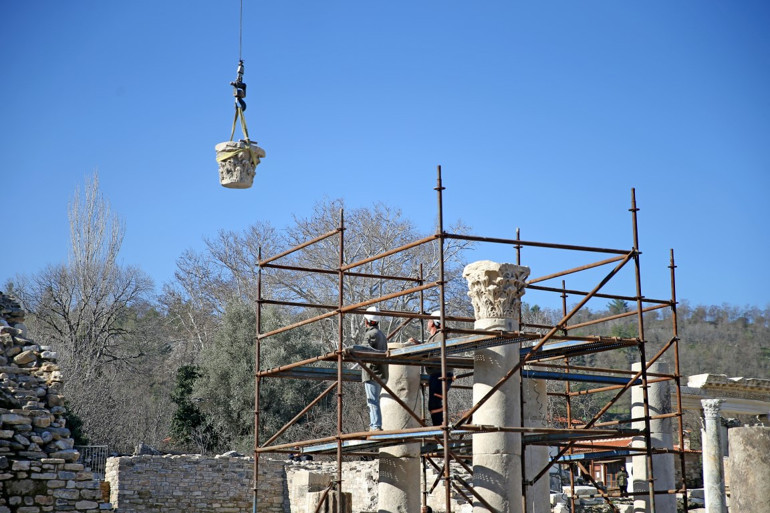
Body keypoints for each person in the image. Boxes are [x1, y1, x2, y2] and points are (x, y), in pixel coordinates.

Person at [410, 311, 453, 426]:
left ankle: (440, 429)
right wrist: (419, 345)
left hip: (440, 374)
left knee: (435, 404)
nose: (427, 322)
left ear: (433, 323)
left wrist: (422, 354)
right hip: (436, 373)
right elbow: (430, 349)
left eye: (429, 320)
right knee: (434, 403)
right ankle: (439, 428)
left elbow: (435, 354)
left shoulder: (440, 336)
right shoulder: (435, 336)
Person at [361, 306, 388, 431]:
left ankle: (375, 425)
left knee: (372, 401)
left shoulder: (371, 334)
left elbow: (363, 351)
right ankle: (375, 425)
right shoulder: (381, 334)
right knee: (374, 400)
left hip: (372, 372)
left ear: (366, 321)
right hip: (381, 372)